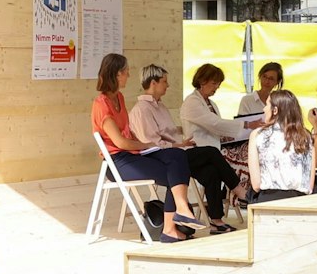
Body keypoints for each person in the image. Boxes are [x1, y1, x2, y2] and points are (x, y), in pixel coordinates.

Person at [90, 53, 199, 243]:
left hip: (132, 155)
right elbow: (120, 143)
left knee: (176, 156)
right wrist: (147, 144)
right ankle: (171, 225)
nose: (128, 76)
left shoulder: (120, 98)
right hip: (117, 162)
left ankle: (177, 216)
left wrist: (148, 146)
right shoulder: (101, 105)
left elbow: (127, 134)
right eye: (126, 72)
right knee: (175, 175)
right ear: (117, 74)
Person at [128, 64, 241, 231]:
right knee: (211, 152)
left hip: (176, 153)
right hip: (163, 158)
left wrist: (182, 138)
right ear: (153, 83)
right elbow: (150, 142)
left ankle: (216, 221)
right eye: (164, 81)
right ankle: (239, 190)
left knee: (211, 171)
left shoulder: (160, 106)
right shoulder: (142, 109)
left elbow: (169, 132)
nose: (168, 85)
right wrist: (179, 144)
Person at [250, 88, 317, 203]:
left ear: (275, 110)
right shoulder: (306, 137)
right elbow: (310, 185)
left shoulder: (257, 135)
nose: (264, 109)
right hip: (299, 201)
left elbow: (256, 184)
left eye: (267, 105)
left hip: (268, 200)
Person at [180, 63, 262, 148]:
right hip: (198, 150)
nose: (217, 87)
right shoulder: (192, 101)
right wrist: (247, 124)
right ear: (202, 81)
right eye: (214, 83)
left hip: (212, 149)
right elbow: (215, 124)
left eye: (218, 84)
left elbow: (218, 127)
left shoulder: (212, 103)